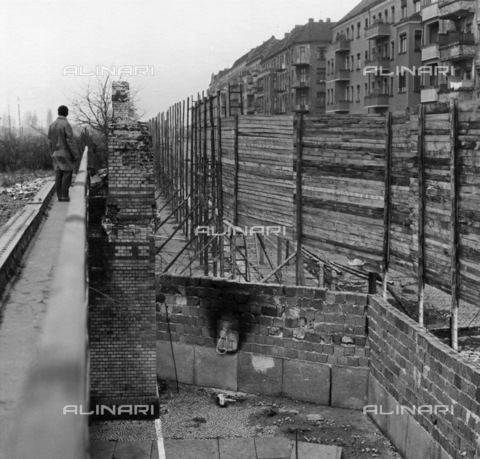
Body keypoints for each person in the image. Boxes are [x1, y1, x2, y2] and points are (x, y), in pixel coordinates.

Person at [47, 105, 78, 202]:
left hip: (55, 153)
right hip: (64, 153)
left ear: (58, 112)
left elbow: (50, 142)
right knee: (67, 173)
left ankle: (59, 196)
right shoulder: (66, 124)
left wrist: (52, 153)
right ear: (67, 113)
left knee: (58, 174)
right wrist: (75, 154)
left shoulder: (52, 125)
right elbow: (70, 141)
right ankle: (65, 196)